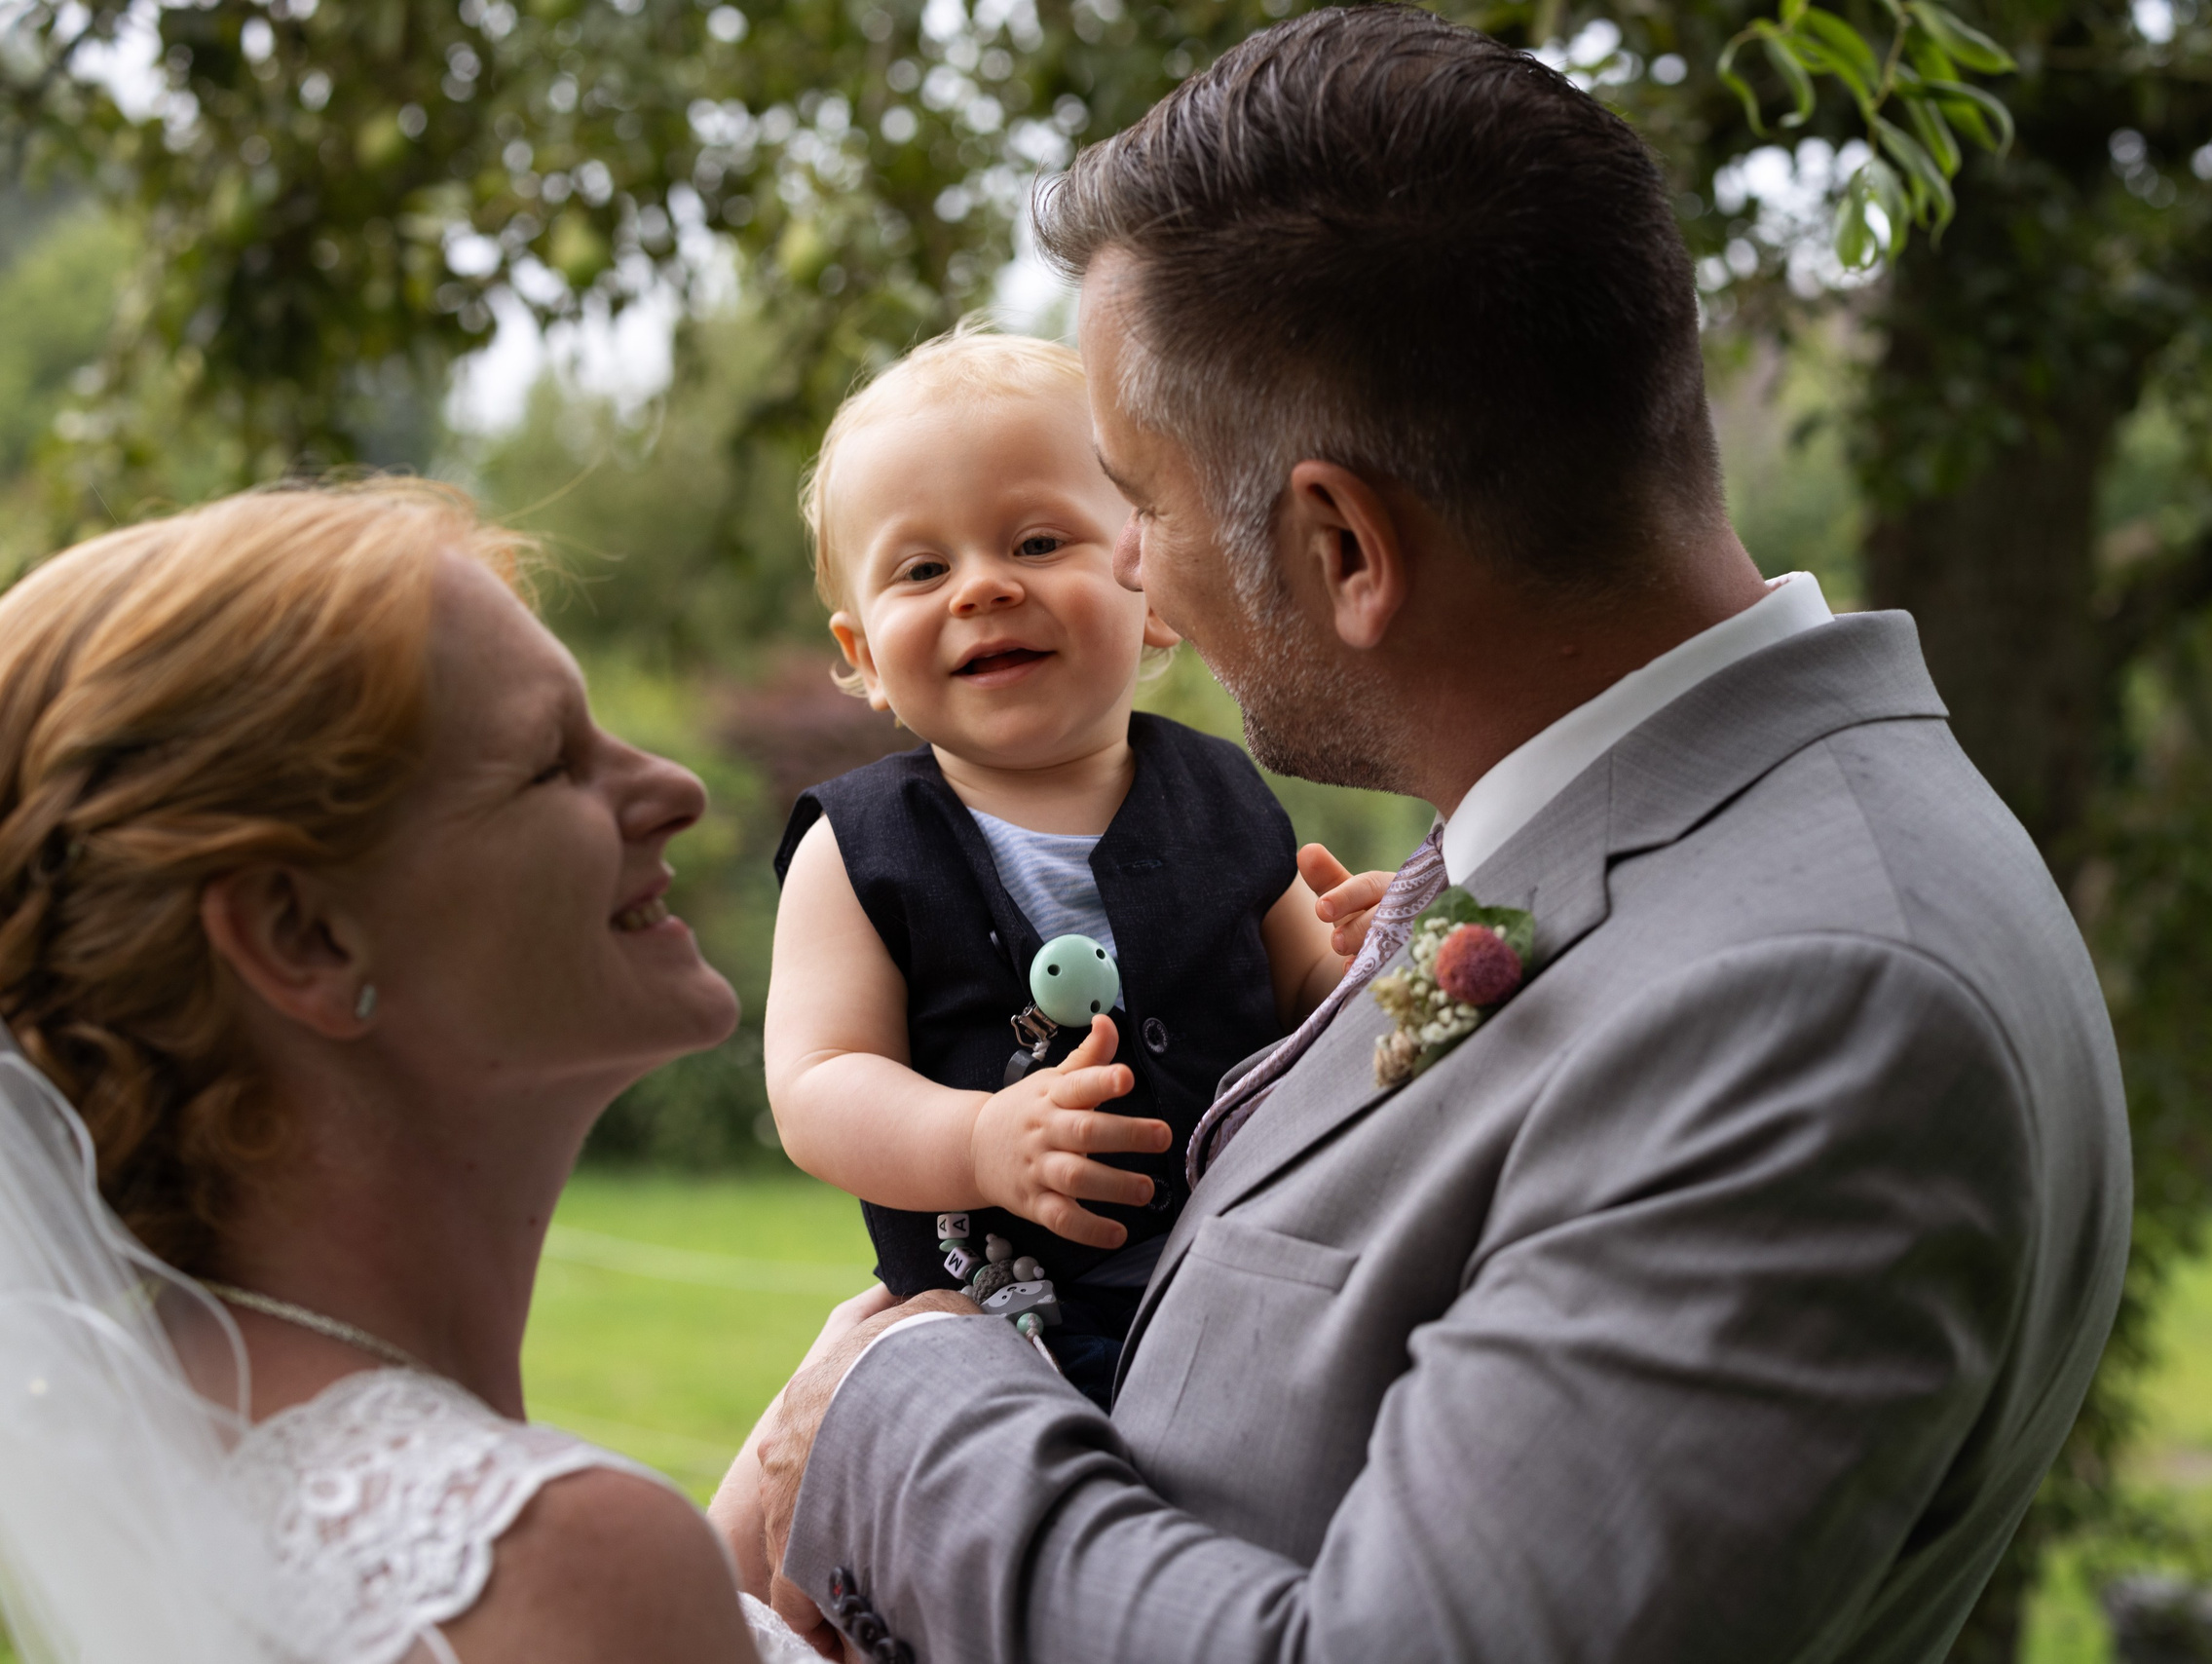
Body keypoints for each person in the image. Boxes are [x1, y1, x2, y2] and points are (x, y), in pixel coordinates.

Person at [731, 10, 2134, 1663]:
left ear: (1340, 544)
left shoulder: (1815, 1004)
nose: (1143, 578)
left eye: (1141, 504)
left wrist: (900, 1406)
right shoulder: (1637, 856)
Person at [0, 481, 817, 1663]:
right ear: (305, 939)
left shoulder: (183, 1455)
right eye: (552, 762)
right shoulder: (564, 1563)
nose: (675, 790)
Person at [763, 325, 1385, 1406]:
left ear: (1152, 590)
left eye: (1038, 543)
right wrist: (974, 1138)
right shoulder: (858, 848)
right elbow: (817, 1088)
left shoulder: (1224, 796)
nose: (981, 589)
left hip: (1249, 1303)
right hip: (993, 1343)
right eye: (922, 568)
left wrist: (1378, 961)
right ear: (861, 654)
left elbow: (1309, 1002)